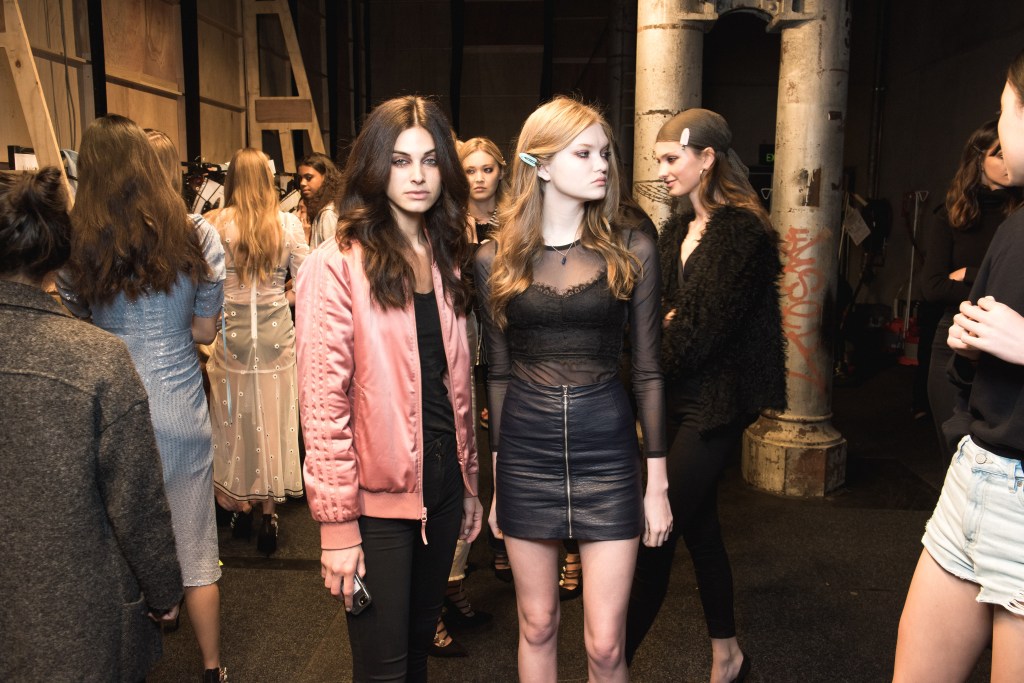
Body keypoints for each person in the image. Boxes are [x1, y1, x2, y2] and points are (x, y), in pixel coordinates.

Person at [475, 96, 672, 682]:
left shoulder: (633, 248)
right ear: (540, 164)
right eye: (583, 153)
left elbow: (648, 371)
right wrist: (497, 484)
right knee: (537, 623)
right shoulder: (493, 259)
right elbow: (498, 374)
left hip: (608, 452)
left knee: (607, 645)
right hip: (524, 452)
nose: (602, 164)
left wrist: (657, 484)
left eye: (604, 153)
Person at [295, 95, 482, 682]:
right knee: (384, 671)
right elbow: (323, 405)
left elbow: (455, 386)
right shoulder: (335, 264)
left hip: (442, 487)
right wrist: (337, 528)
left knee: (419, 657)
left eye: (430, 160)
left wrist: (469, 484)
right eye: (401, 161)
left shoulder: (446, 256)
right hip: (375, 503)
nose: (418, 175)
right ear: (376, 168)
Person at [58, 114, 228, 683]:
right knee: (197, 547)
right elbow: (204, 330)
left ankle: (134, 663)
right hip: (179, 405)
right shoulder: (195, 233)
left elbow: (77, 320)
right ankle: (212, 668)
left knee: (121, 543)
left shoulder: (80, 240)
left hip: (111, 407)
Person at [0, 167, 183, 682]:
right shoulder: (97, 360)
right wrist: (164, 590)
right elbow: (137, 499)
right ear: (62, 253)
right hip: (79, 622)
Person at [625, 108, 787, 683]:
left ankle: (609, 666)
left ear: (707, 157)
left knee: (655, 533)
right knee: (701, 528)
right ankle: (729, 656)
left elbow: (697, 330)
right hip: (675, 396)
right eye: (659, 160)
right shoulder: (675, 230)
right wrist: (662, 325)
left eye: (672, 159)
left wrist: (655, 337)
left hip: (714, 404)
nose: (662, 170)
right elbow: (658, 316)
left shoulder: (742, 231)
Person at [893, 50, 1024, 683]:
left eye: (1005, 110)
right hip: (973, 480)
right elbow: (969, 360)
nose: (1000, 129)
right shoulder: (1013, 229)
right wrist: (972, 352)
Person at [205, 148, 309, 555]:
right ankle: (269, 512)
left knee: (236, 417)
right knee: (273, 417)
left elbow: (206, 286)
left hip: (231, 336)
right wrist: (281, 296)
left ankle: (241, 501)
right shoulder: (288, 225)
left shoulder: (214, 224)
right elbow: (307, 283)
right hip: (275, 336)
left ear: (232, 179)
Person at [921, 120, 1021, 454]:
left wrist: (970, 274)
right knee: (954, 452)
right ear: (978, 158)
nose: (1007, 161)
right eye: (998, 154)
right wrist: (991, 288)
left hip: (1008, 343)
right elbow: (933, 287)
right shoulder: (951, 214)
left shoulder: (1017, 217)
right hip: (955, 337)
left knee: (994, 454)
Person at [296, 152, 342, 248]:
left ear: (326, 177)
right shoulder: (321, 209)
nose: (302, 183)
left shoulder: (328, 214)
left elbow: (333, 254)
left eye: (308, 177)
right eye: (300, 178)